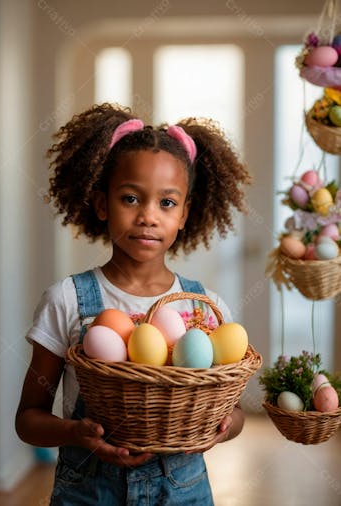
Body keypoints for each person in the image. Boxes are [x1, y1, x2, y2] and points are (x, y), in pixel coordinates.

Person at [15, 102, 251, 505]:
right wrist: (74, 433)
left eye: (166, 203)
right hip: (89, 491)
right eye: (130, 198)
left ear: (184, 214)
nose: (147, 216)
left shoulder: (206, 309)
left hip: (183, 490)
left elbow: (237, 412)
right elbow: (28, 419)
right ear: (102, 204)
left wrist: (224, 427)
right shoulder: (67, 300)